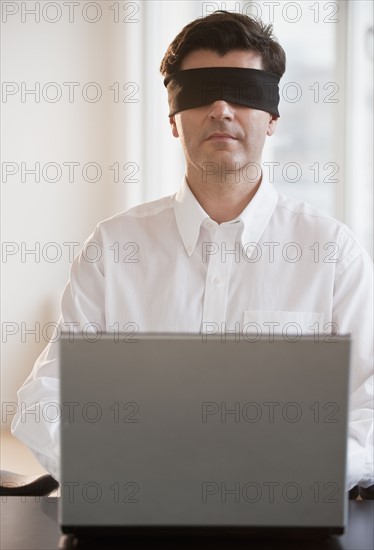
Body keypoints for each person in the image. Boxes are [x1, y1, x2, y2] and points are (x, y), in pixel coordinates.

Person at [12, 11, 373, 491]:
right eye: (201, 92)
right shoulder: (113, 251)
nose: (221, 108)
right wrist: (107, 471)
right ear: (173, 122)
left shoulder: (333, 254)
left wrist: (300, 474)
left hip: (292, 510)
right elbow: (44, 397)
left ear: (273, 119)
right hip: (136, 507)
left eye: (244, 91)